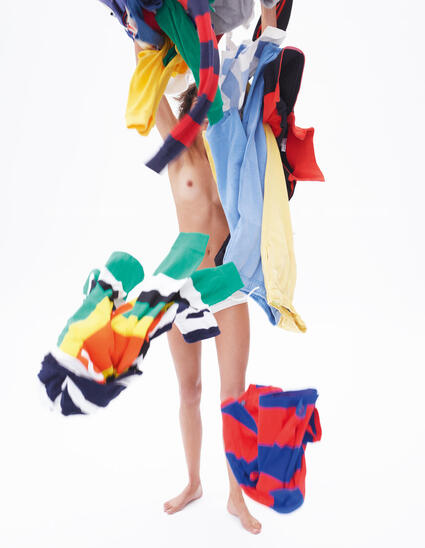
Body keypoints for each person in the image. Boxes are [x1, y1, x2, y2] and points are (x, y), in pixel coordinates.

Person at [134, 4, 277, 535]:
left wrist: (268, 15)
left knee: (232, 396)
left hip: (227, 282)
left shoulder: (232, 147)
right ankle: (194, 481)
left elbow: (264, 73)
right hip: (182, 286)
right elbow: (145, 76)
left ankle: (237, 497)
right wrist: (135, 26)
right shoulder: (177, 153)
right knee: (189, 391)